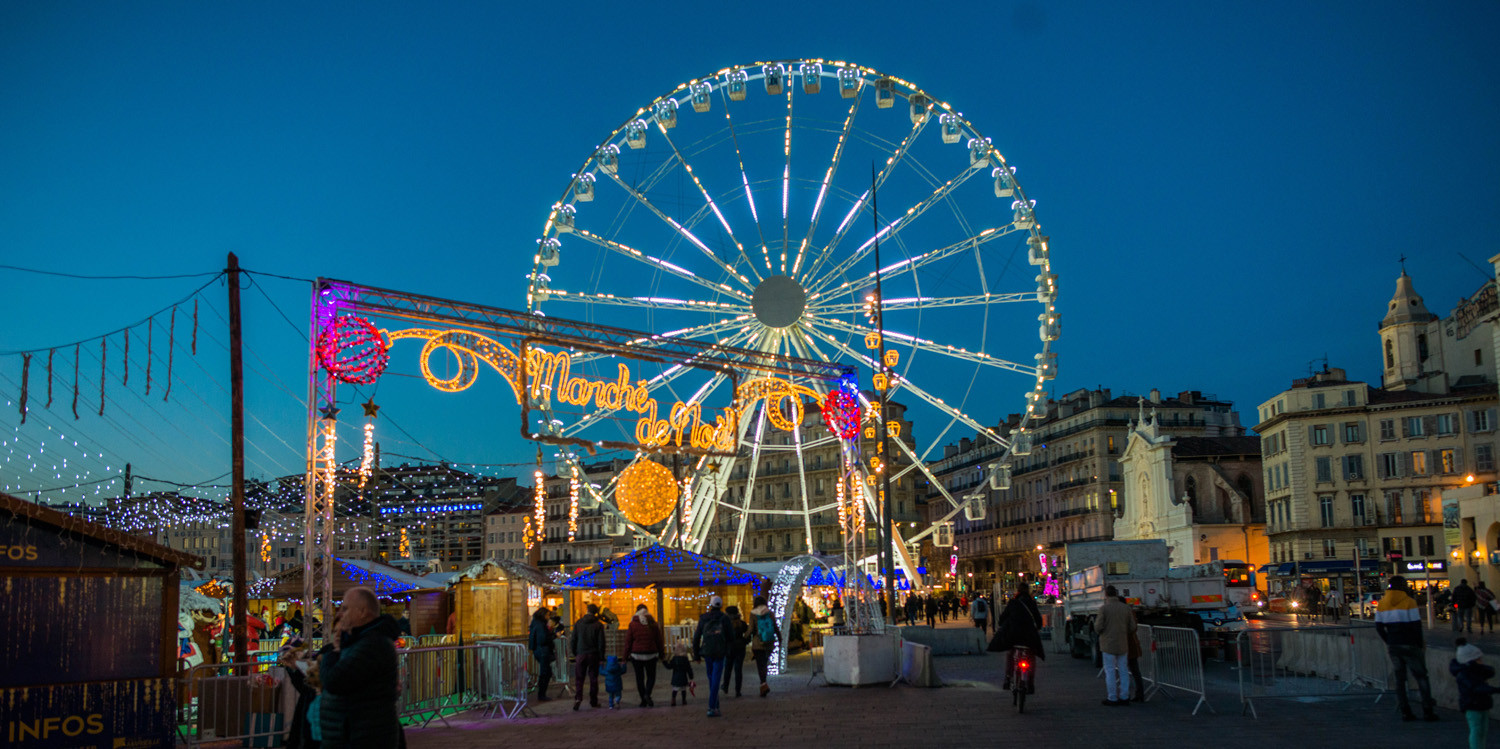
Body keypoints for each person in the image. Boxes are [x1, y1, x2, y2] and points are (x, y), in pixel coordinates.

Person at [317, 586, 401, 748]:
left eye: (345, 609)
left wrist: (333, 652)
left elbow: (334, 680)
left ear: (362, 612)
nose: (341, 614)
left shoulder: (372, 645)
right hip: (351, 734)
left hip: (362, 737)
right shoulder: (360, 642)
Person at [1376, 575, 1439, 722]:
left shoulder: (1382, 603)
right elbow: (1416, 625)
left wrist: (1389, 640)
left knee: (1400, 679)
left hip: (1394, 645)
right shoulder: (1409, 602)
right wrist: (1419, 644)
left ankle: (1405, 711)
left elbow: (1379, 627)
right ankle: (1427, 711)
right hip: (1410, 644)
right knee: (1421, 677)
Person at [986, 583, 1045, 691]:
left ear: (1018, 591)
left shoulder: (1013, 602)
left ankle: (1008, 678)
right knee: (1031, 656)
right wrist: (1038, 627)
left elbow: (1002, 618)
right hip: (1028, 636)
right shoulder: (1031, 603)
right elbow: (1038, 620)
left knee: (1011, 654)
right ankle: (1030, 683)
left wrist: (1003, 625)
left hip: (1014, 635)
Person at [1451, 638, 1499, 749]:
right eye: (1479, 659)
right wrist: (1495, 689)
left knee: (1482, 730)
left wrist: (1479, 668)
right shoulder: (1464, 674)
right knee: (1476, 730)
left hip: (1481, 704)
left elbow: (1490, 672)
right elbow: (1476, 688)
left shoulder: (1474, 671)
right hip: (1472, 705)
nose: (1481, 661)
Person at [1093, 585, 1136, 707]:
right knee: (1123, 670)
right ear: (1116, 594)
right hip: (1122, 643)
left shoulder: (1104, 609)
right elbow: (1132, 627)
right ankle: (1124, 696)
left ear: (1106, 594)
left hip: (1108, 644)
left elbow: (1098, 627)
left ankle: (1112, 697)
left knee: (1110, 671)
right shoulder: (1125, 608)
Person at [692, 595, 731, 717]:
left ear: (711, 605)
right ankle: (712, 707)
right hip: (720, 652)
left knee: (711, 678)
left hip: (707, 651)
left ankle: (715, 706)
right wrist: (728, 651)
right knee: (716, 679)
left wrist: (696, 654)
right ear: (721, 605)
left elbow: (696, 637)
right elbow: (731, 637)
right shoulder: (725, 618)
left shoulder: (703, 618)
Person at [623, 603, 663, 707]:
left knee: (639, 678)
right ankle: (647, 694)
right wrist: (662, 654)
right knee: (651, 676)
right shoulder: (653, 623)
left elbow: (628, 641)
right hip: (651, 654)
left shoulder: (633, 624)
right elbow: (659, 640)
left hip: (636, 655)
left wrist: (625, 657)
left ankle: (643, 699)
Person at [570, 603, 606, 711]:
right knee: (593, 678)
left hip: (581, 653)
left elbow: (573, 639)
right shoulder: (598, 625)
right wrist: (601, 657)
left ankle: (578, 698)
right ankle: (593, 700)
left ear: (587, 610)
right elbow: (601, 643)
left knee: (579, 678)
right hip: (593, 654)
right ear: (596, 613)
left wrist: (575, 652)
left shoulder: (578, 623)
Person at [748, 595, 779, 697]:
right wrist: (779, 638)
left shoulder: (753, 614)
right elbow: (775, 627)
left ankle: (763, 684)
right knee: (764, 663)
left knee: (760, 665)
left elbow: (751, 629)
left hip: (758, 644)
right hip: (769, 643)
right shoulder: (770, 613)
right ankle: (764, 683)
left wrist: (745, 637)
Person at [527, 607, 555, 702]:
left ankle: (542, 693)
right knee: (545, 672)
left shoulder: (535, 623)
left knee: (546, 672)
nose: (548, 617)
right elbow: (543, 639)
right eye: (547, 615)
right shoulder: (541, 625)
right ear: (543, 615)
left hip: (538, 650)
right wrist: (553, 635)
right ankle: (541, 694)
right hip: (543, 650)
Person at [722, 605, 748, 697]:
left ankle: (725, 686)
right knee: (738, 669)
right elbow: (748, 633)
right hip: (740, 647)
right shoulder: (742, 624)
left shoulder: (726, 624)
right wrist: (745, 641)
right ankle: (738, 690)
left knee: (728, 668)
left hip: (730, 648)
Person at [666, 642, 694, 706]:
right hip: (683, 677)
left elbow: (669, 666)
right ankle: (684, 700)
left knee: (675, 690)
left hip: (675, 677)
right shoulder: (685, 659)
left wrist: (664, 662)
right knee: (683, 690)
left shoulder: (674, 659)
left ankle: (673, 700)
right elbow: (689, 669)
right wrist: (691, 676)